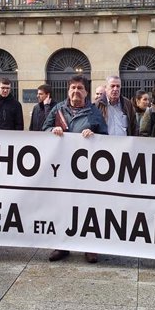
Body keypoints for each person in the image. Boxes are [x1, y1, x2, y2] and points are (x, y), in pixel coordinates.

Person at [42, 75, 108, 263]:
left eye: (80, 88)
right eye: (73, 88)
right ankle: (62, 246)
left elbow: (105, 137)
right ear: (68, 90)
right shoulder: (58, 109)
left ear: (86, 92)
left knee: (87, 208)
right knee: (62, 207)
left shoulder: (94, 112)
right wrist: (52, 131)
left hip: (86, 170)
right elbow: (44, 129)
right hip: (62, 169)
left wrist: (94, 135)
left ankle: (89, 247)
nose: (76, 91)